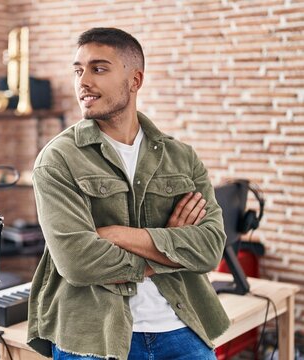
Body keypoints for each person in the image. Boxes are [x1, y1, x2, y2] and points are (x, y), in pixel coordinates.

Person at [27, 27, 230, 359]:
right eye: (78, 70)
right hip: (93, 337)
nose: (83, 81)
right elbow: (77, 260)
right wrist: (170, 245)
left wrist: (119, 235)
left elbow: (209, 250)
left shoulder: (181, 158)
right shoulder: (57, 160)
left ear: (135, 80)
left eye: (99, 68)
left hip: (181, 329)